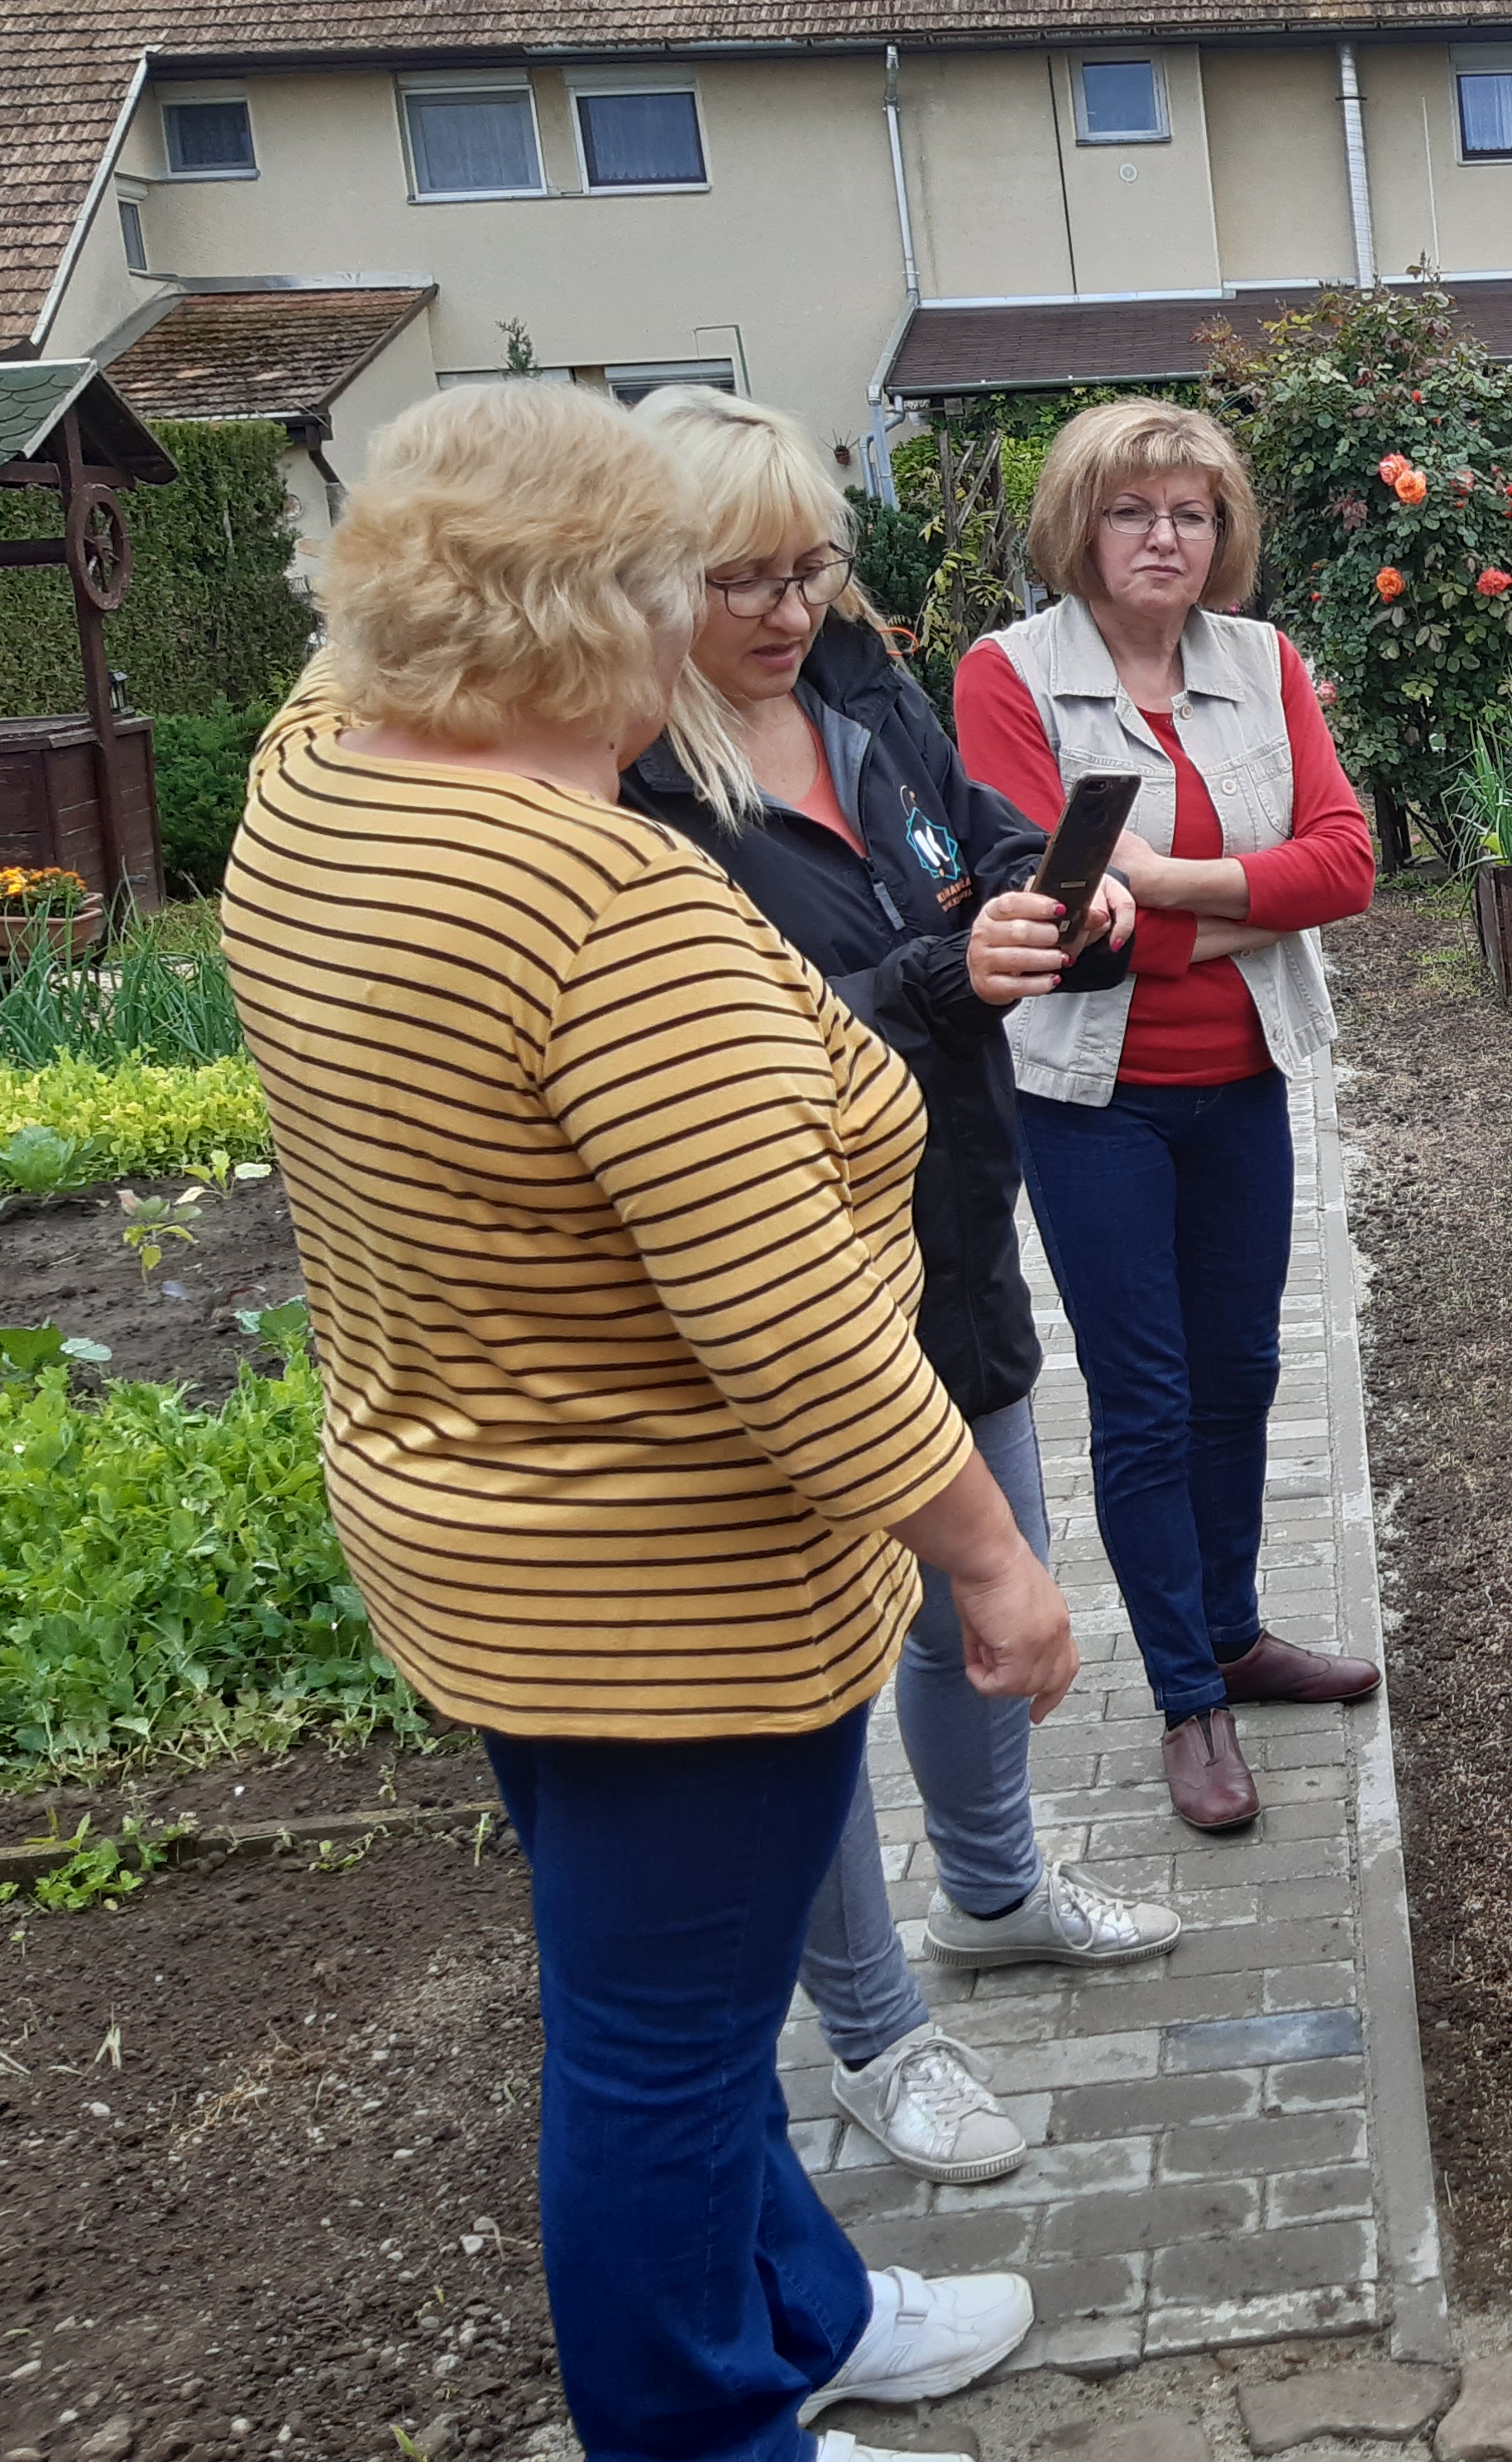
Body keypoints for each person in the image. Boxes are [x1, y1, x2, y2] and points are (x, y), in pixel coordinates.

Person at [222, 377, 1060, 2462]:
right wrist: (991, 1561)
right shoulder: (600, 902)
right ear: (606, 602)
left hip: (478, 1528)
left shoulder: (316, 782)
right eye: (700, 576)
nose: (747, 613)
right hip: (668, 1588)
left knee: (662, 2014)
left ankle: (802, 2310)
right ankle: (707, 2434)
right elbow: (789, 1324)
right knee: (657, 2064)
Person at [620, 386, 1180, 2188]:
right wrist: (956, 978)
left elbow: (972, 851)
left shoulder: (858, 690)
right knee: (822, 1667)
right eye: (739, 580)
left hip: (949, 1222)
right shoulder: (629, 787)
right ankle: (870, 2035)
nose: (786, 612)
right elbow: (723, 1068)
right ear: (641, 582)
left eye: (808, 569)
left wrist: (1050, 898)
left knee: (979, 1600)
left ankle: (1000, 1894)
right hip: (778, 1282)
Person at [953, 399, 1376, 1833]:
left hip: (1242, 1080)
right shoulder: (1007, 678)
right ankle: (1189, 1695)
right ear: (1084, 524)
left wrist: (1170, 881)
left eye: (1192, 513)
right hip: (1094, 1101)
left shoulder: (1262, 662)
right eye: (1137, 511)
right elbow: (1056, 918)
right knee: (1142, 1396)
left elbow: (1349, 865)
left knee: (1243, 1372)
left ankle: (1237, 1628)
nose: (1166, 537)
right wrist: (1243, 890)